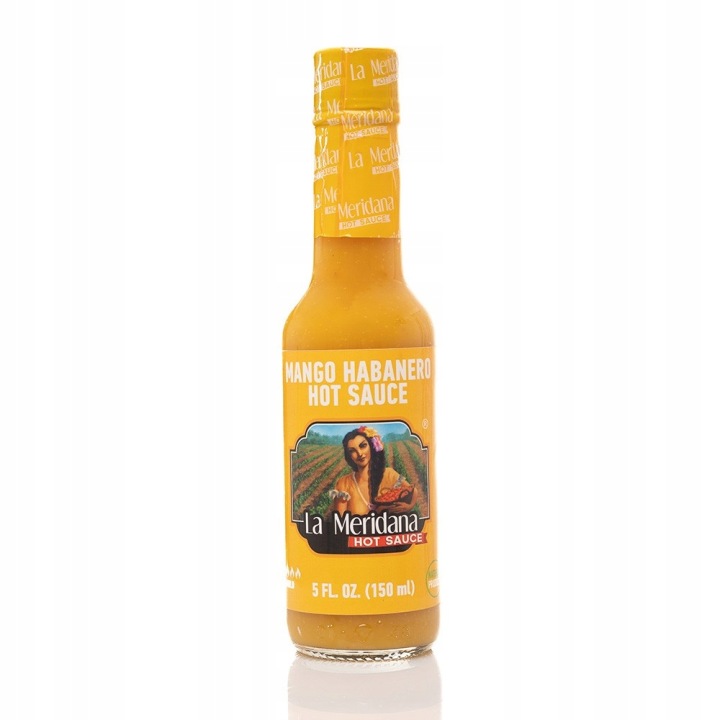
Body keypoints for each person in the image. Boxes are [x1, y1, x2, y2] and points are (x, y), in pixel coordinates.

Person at [329, 426, 415, 516]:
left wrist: (409, 506)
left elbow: (412, 490)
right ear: (349, 455)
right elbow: (340, 521)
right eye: (352, 451)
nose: (359, 453)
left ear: (372, 446)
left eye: (363, 446)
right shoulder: (344, 484)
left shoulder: (389, 474)